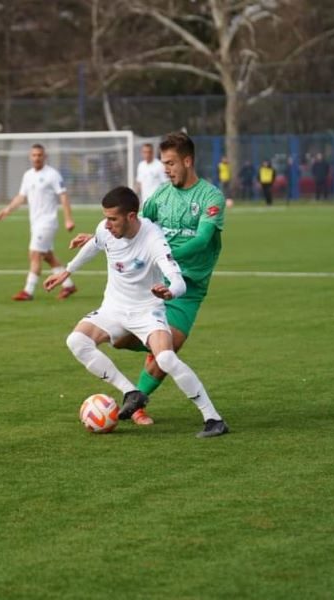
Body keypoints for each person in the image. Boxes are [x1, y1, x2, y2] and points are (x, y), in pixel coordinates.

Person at [69, 132, 228, 437]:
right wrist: (99, 238)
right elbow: (130, 227)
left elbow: (202, 241)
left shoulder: (211, 198)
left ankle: (139, 404)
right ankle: (135, 394)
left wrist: (161, 255)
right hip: (149, 283)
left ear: (188, 160)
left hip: (188, 287)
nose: (166, 169)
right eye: (163, 163)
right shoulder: (159, 196)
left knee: (165, 352)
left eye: (170, 163)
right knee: (119, 339)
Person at [45, 186, 198, 423]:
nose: (107, 224)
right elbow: (95, 243)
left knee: (166, 357)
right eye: (106, 218)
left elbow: (177, 279)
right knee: (76, 341)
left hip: (147, 311)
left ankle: (212, 417)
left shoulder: (152, 237)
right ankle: (131, 392)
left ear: (130, 216)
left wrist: (170, 291)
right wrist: (67, 271)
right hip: (114, 309)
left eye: (112, 219)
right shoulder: (106, 229)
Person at [0, 143, 77, 301]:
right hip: (36, 223)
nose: (37, 158)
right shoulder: (28, 175)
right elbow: (21, 197)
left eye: (40, 155)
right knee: (48, 256)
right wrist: (6, 210)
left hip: (47, 222)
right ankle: (68, 285)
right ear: (30, 157)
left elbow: (63, 195)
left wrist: (68, 219)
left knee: (34, 254)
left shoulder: (52, 175)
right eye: (34, 155)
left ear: (45, 157)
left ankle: (28, 291)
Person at [134, 142, 168, 208]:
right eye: (145, 152)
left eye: (149, 152)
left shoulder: (160, 165)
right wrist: (133, 195)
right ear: (142, 153)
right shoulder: (141, 165)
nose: (147, 154)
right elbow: (139, 183)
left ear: (152, 152)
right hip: (145, 203)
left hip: (157, 203)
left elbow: (166, 184)